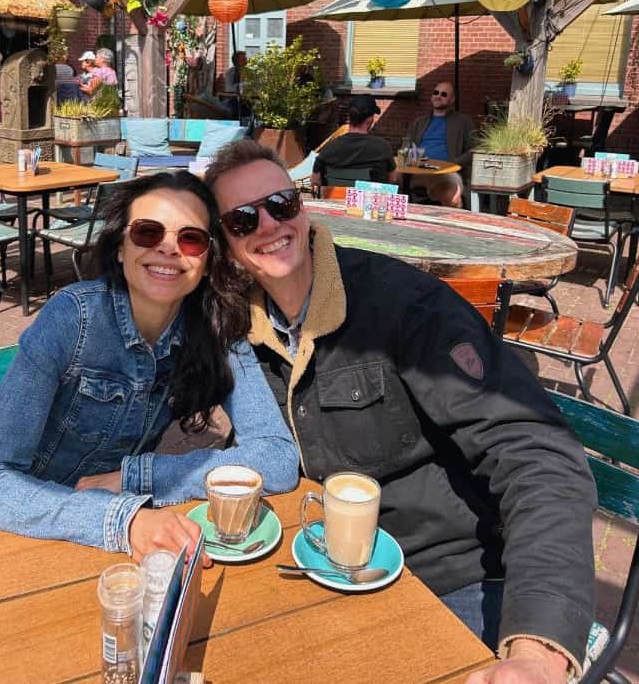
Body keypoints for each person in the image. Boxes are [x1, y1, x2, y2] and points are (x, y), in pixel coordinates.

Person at [205, 139, 596, 684]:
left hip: (447, 577)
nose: (269, 224)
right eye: (244, 219)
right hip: (320, 569)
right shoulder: (236, 330)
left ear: (305, 205)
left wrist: (537, 652)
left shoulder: (406, 306)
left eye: (282, 203)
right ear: (226, 245)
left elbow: (536, 454)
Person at [0, 171, 298, 562]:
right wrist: (125, 520)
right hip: (8, 529)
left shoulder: (217, 325)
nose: (170, 249)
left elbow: (277, 457)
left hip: (101, 543)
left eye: (191, 238)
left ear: (207, 259)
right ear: (120, 248)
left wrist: (139, 479)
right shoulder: (74, 319)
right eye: (148, 233)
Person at [406, 80, 476, 207]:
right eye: (436, 93)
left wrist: (455, 163)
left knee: (450, 195)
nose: (438, 96)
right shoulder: (419, 122)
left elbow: (473, 149)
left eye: (444, 94)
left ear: (452, 99)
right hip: (420, 170)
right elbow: (408, 145)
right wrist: (410, 162)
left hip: (447, 171)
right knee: (392, 174)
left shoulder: (463, 121)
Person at [312, 93, 397, 186]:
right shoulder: (383, 147)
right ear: (370, 119)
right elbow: (392, 179)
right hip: (369, 199)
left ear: (349, 117)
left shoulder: (328, 148)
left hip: (336, 199)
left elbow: (315, 181)